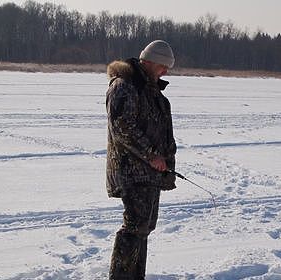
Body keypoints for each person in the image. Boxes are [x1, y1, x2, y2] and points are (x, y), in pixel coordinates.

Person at [105, 40, 177, 279]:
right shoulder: (125, 86)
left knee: (145, 227)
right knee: (134, 227)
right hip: (132, 170)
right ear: (148, 61)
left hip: (150, 172)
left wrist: (165, 163)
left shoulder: (150, 88)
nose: (165, 72)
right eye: (162, 66)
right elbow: (122, 127)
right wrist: (151, 155)